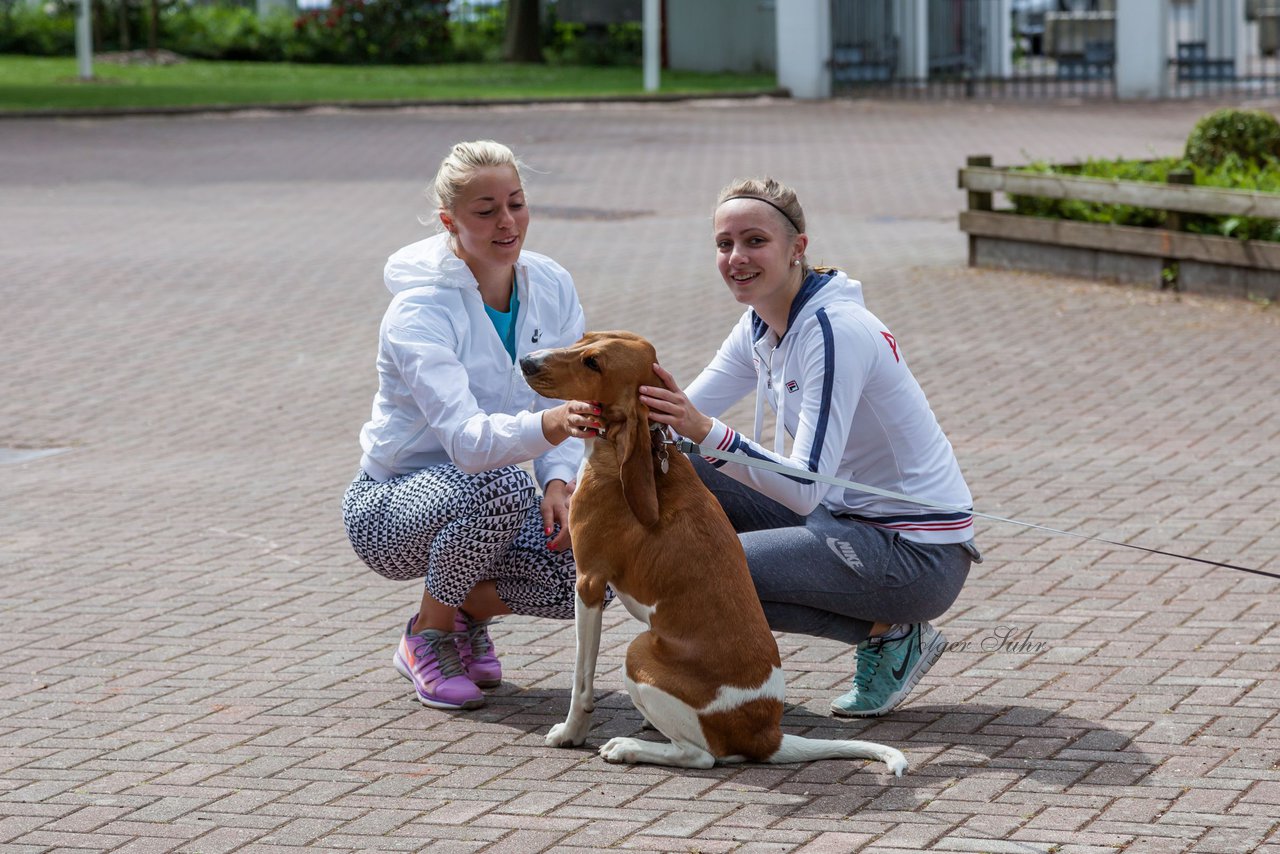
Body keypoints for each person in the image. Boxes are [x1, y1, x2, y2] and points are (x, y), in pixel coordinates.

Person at [639, 177, 981, 718]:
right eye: (724, 244)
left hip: (918, 556)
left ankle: (883, 634)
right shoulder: (760, 324)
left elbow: (802, 487)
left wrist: (703, 429)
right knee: (683, 466)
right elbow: (680, 417)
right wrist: (614, 413)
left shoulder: (834, 330)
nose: (736, 257)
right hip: (841, 517)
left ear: (798, 247)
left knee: (706, 570)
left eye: (755, 241)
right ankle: (887, 635)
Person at [342, 140, 606, 712]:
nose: (507, 222)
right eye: (485, 211)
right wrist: (555, 424)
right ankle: (427, 636)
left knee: (597, 558)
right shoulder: (418, 312)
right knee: (502, 482)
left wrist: (560, 483)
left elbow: (569, 396)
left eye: (516, 202)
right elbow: (467, 443)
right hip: (390, 507)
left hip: (493, 501)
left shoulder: (552, 283)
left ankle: (464, 615)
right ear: (450, 222)